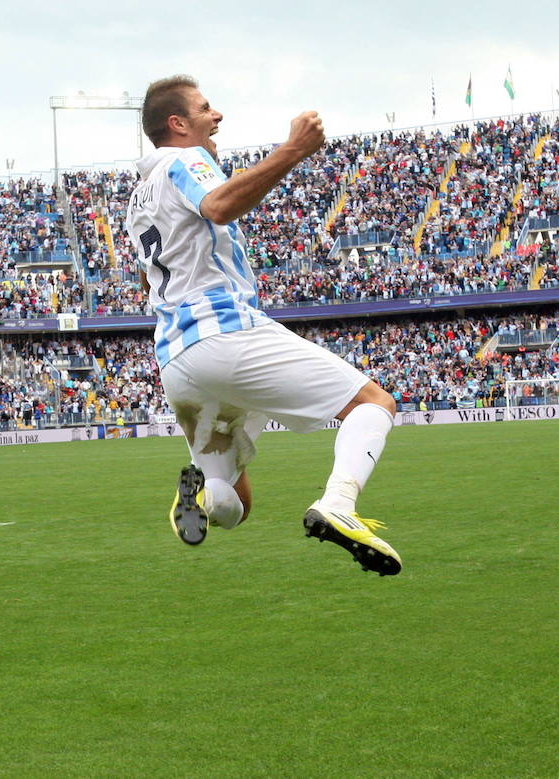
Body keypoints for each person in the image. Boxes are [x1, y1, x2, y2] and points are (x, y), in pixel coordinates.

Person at [124, 75, 402, 575]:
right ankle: (338, 503)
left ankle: (203, 489)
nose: (218, 116)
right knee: (375, 403)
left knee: (233, 505)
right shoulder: (184, 160)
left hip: (175, 361)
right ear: (178, 123)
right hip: (221, 332)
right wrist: (293, 150)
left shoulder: (137, 195)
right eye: (206, 108)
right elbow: (219, 205)